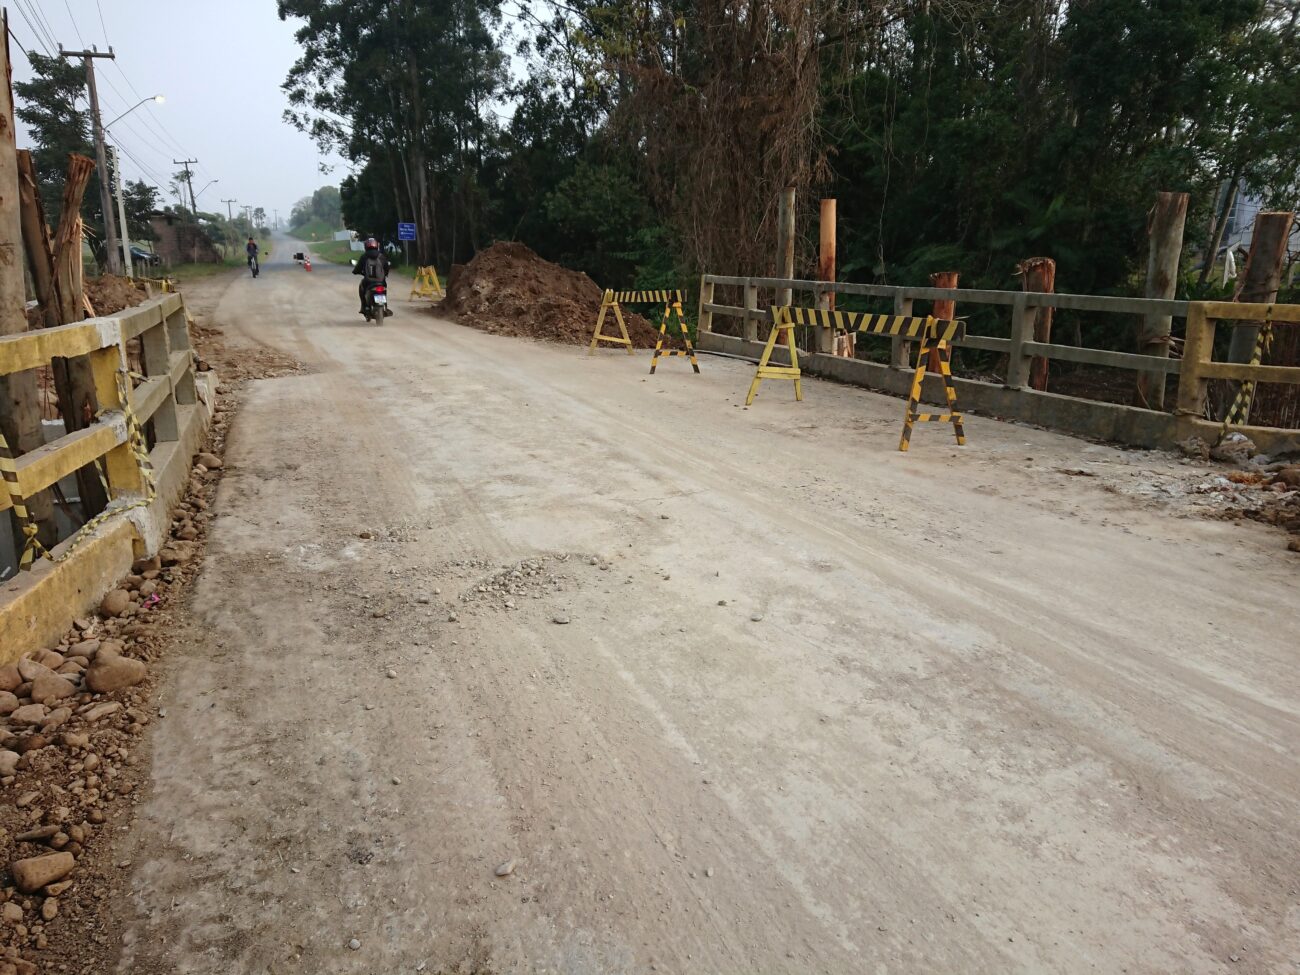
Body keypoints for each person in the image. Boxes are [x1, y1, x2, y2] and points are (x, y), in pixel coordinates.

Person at [352, 237, 391, 315]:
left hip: (368, 281)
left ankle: (364, 306)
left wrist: (355, 272)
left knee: (361, 287)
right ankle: (385, 306)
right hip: (381, 282)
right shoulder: (381, 256)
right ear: (377, 245)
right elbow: (386, 267)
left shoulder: (364, 257)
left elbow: (358, 268)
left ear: (366, 246)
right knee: (384, 288)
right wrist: (385, 274)